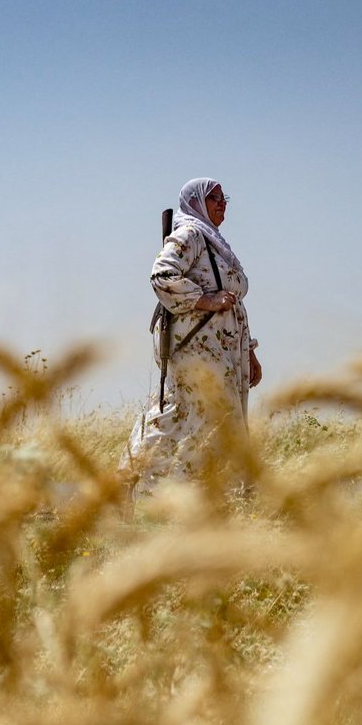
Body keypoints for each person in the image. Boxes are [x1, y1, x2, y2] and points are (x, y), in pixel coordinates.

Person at [119, 177, 262, 507]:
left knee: (200, 415)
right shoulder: (190, 234)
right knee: (198, 412)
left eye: (224, 197)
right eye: (213, 198)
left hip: (223, 347)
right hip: (198, 346)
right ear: (196, 202)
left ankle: (195, 491)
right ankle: (146, 481)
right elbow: (162, 275)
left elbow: (234, 301)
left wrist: (250, 351)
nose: (221, 203)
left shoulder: (215, 241)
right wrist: (204, 301)